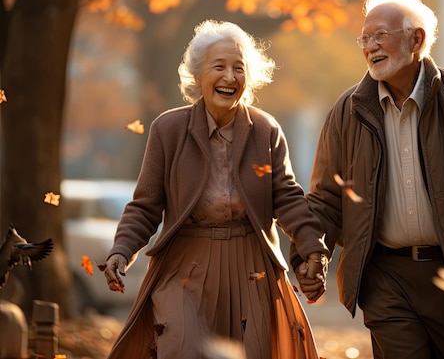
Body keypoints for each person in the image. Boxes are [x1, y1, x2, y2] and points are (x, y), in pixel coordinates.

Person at [294, 0, 444, 358]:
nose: (369, 46)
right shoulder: (347, 111)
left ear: (416, 39)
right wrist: (309, 253)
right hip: (384, 275)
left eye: (380, 36)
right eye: (364, 38)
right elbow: (326, 198)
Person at [103, 20, 329, 359]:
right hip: (185, 261)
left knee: (251, 352)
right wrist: (121, 250)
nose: (229, 77)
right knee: (180, 347)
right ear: (197, 77)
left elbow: (287, 196)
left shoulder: (265, 129)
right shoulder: (168, 129)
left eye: (239, 68)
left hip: (250, 262)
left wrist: (312, 245)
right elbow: (146, 205)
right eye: (218, 66)